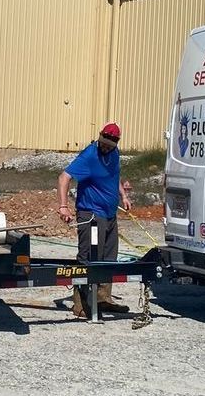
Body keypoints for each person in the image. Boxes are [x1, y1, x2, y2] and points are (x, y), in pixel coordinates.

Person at [57, 123, 132, 318]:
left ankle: (102, 299)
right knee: (89, 258)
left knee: (109, 258)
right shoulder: (89, 155)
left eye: (109, 145)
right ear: (99, 139)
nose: (105, 148)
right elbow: (64, 177)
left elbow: (113, 176)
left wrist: (123, 196)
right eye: (103, 144)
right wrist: (63, 206)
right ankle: (81, 303)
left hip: (109, 214)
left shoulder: (114, 154)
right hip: (91, 213)